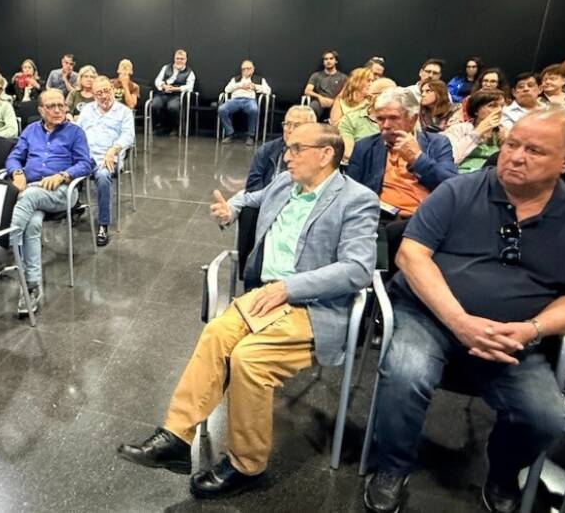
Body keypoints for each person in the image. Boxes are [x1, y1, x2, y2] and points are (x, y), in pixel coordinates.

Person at [362, 108, 565, 513]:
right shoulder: (459, 191)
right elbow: (411, 255)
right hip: (430, 316)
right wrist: (459, 322)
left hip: (513, 336)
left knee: (546, 418)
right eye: (512, 143)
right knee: (406, 374)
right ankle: (392, 466)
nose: (515, 156)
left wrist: (530, 329)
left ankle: (502, 474)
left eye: (534, 150)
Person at [116, 123, 379, 500]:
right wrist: (230, 210)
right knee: (216, 334)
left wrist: (290, 287)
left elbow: (357, 269)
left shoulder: (357, 199)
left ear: (325, 154)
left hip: (311, 305)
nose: (286, 156)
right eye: (287, 148)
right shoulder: (285, 183)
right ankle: (176, 439)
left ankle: (247, 464)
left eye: (296, 149)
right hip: (263, 296)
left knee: (249, 359)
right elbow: (251, 198)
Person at [0, 89, 93, 315]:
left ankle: (3, 240)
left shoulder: (75, 132)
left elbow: (86, 163)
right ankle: (31, 286)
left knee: (27, 196)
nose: (59, 110)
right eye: (52, 106)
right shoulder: (31, 131)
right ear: (41, 110)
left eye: (61, 105)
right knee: (32, 224)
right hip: (30, 190)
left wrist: (63, 175)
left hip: (62, 192)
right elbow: (14, 156)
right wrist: (17, 172)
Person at [348, 87, 458, 220]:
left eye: (394, 118)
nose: (386, 125)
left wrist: (417, 158)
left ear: (412, 119)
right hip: (380, 220)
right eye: (381, 119)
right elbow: (351, 193)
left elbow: (451, 185)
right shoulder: (365, 146)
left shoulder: (437, 143)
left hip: (426, 219)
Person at [76, 76, 134, 247]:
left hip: (108, 157)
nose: (104, 96)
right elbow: (77, 132)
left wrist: (114, 149)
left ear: (112, 90)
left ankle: (103, 225)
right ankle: (72, 207)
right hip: (86, 156)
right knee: (62, 167)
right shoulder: (87, 110)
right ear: (94, 95)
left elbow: (128, 136)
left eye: (106, 91)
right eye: (99, 93)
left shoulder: (124, 112)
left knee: (102, 176)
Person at [245, 105, 317, 193]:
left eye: (297, 125)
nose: (290, 130)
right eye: (287, 124)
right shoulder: (266, 151)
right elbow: (252, 188)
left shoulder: (318, 156)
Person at [444, 89, 506, 173]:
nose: (499, 110)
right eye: (492, 106)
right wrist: (477, 132)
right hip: (463, 176)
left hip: (492, 176)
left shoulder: (502, 132)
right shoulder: (459, 129)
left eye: (502, 106)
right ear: (476, 110)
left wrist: (507, 141)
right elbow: (451, 160)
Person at [339, 77, 397, 161]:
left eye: (394, 95)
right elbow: (348, 152)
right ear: (370, 97)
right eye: (384, 94)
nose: (390, 99)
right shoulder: (350, 120)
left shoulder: (403, 120)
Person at [218, 60, 270, 145]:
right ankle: (230, 134)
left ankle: (250, 136)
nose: (246, 71)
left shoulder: (259, 79)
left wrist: (255, 86)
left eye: (248, 68)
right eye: (244, 69)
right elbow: (226, 89)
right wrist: (240, 85)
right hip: (235, 100)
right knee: (222, 109)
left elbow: (268, 90)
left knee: (254, 109)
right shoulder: (235, 79)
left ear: (253, 69)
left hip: (249, 100)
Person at [150, 49, 196, 136]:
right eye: (177, 58)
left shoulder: (190, 72)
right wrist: (163, 86)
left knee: (173, 107)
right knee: (155, 105)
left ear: (185, 60)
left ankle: (175, 128)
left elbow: (190, 87)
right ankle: (159, 126)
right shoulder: (165, 68)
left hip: (176, 95)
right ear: (174, 59)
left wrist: (176, 89)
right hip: (163, 93)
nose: (179, 61)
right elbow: (157, 80)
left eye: (182, 59)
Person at [303, 50, 346, 120]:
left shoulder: (343, 77)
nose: (328, 61)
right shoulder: (316, 75)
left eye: (331, 58)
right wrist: (320, 97)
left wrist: (334, 101)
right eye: (326, 59)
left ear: (336, 61)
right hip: (320, 102)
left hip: (336, 102)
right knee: (312, 108)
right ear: (323, 62)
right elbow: (307, 91)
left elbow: (345, 93)